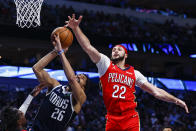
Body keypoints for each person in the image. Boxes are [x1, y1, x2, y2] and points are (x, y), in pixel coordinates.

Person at [65, 14, 189, 131]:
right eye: (113, 50)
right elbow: (88, 47)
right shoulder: (105, 65)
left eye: (119, 49)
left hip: (130, 118)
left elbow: (156, 91)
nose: (115, 51)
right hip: (112, 118)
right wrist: (76, 29)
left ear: (126, 54)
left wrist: (175, 100)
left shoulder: (135, 73)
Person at [32, 34, 88, 131]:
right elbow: (37, 69)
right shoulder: (55, 85)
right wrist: (55, 51)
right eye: (78, 75)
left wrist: (61, 52)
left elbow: (72, 79)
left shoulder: (80, 98)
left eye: (82, 78)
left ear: (83, 87)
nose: (78, 76)